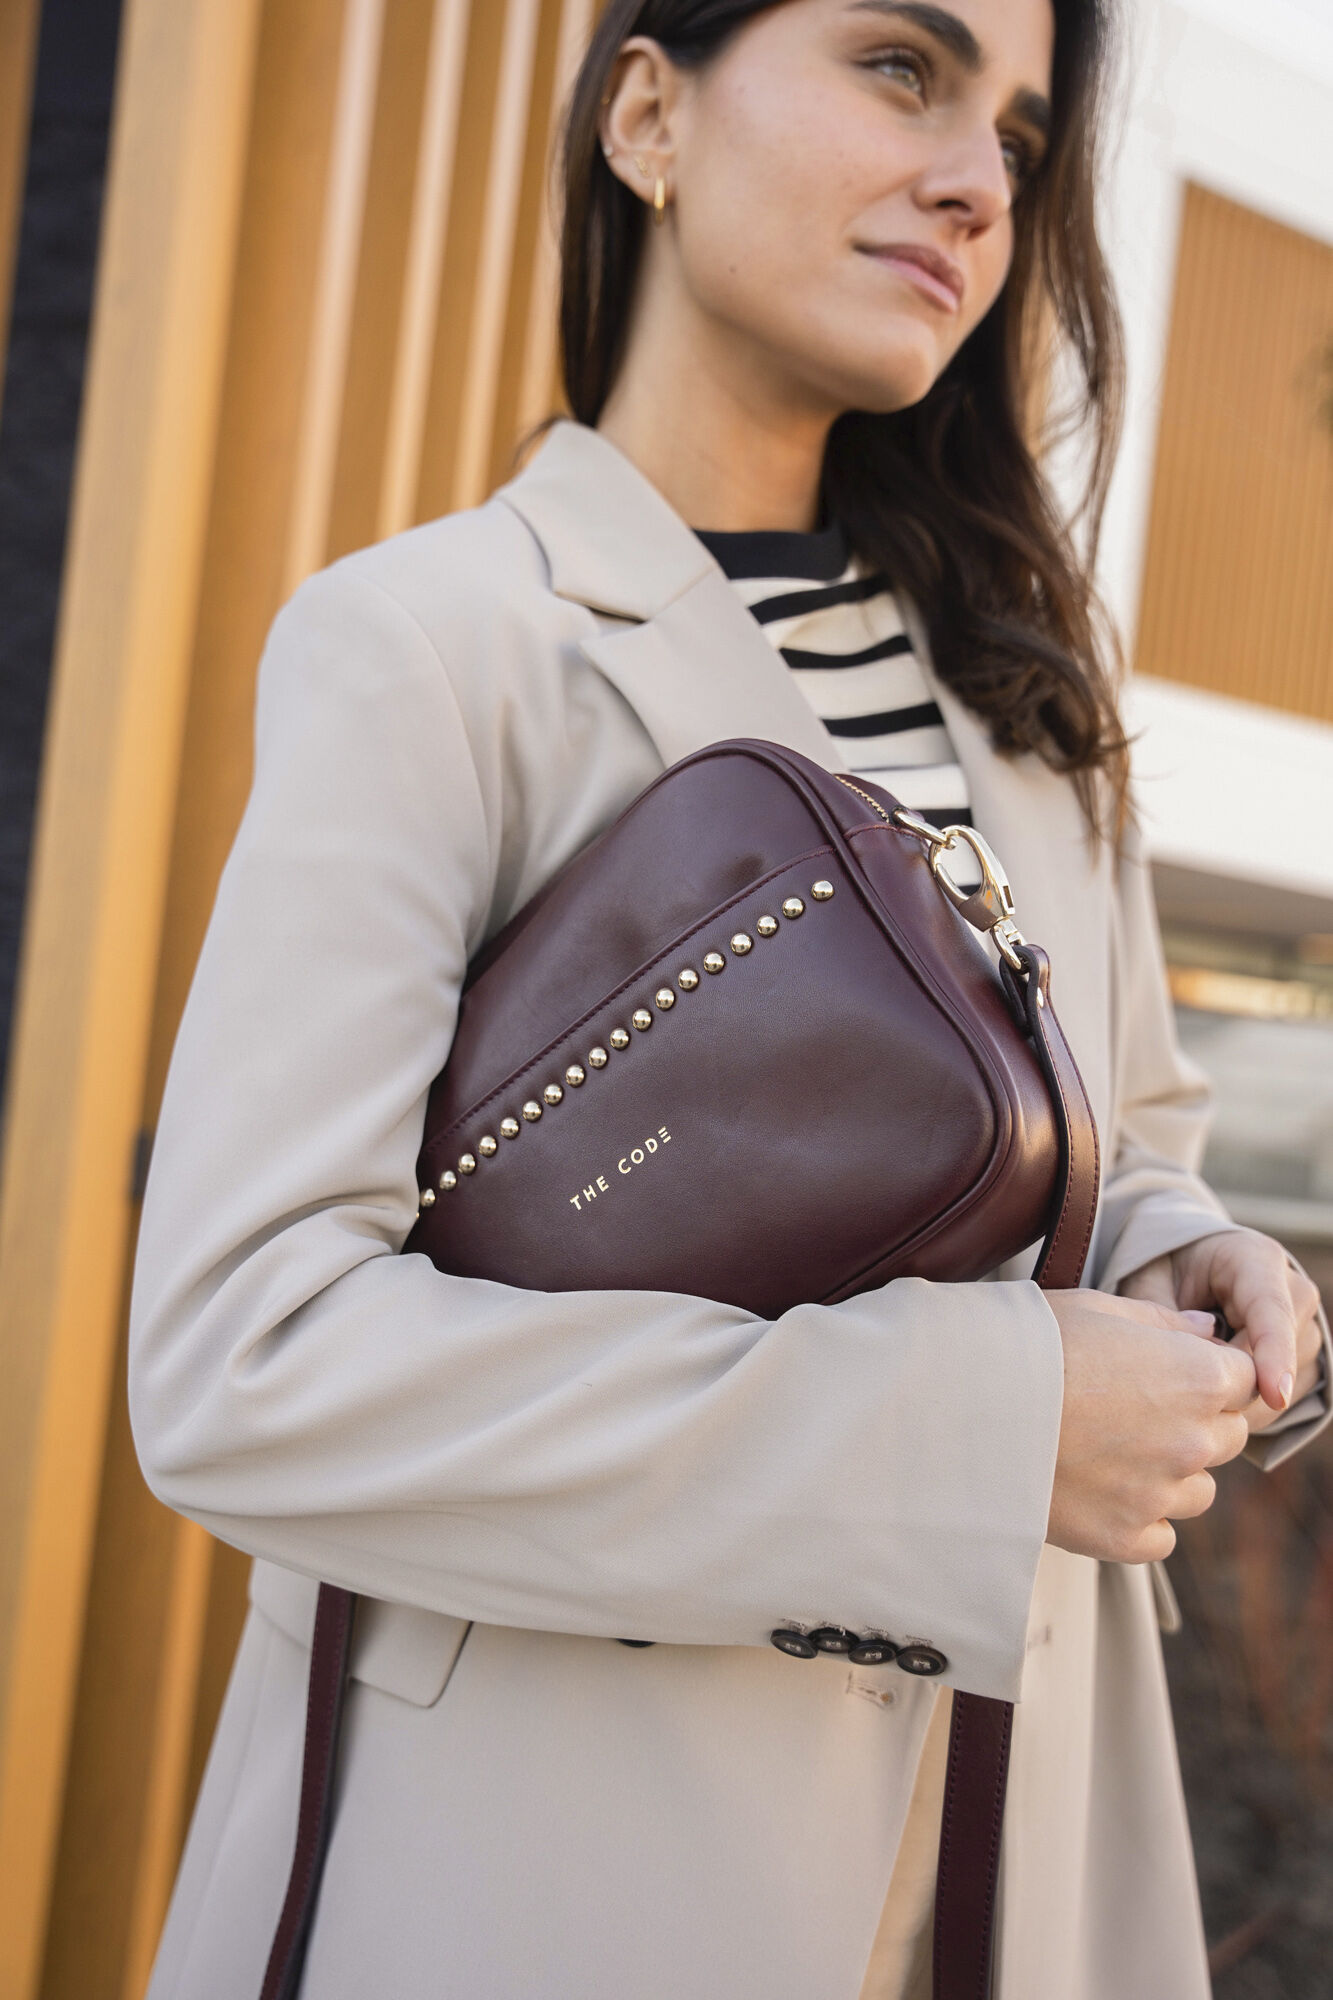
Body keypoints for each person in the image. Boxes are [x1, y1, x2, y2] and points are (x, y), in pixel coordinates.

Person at [128, 2, 1331, 1995]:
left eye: (1018, 140)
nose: (973, 179)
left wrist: (1183, 1246)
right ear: (647, 112)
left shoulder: (1035, 708)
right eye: (897, 67)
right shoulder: (435, 647)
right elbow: (246, 1362)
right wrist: (979, 1426)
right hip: (560, 1853)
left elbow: (1123, 1130)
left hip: (1016, 1843)